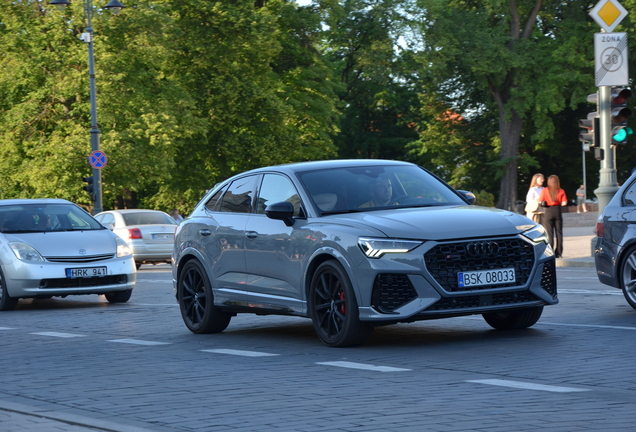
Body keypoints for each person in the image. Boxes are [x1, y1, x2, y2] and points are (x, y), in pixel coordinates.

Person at [539, 175, 567, 258]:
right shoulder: (561, 191)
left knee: (549, 233)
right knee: (559, 233)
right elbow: (564, 203)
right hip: (557, 211)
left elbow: (540, 201)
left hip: (548, 211)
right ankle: (559, 252)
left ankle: (550, 252)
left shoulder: (545, 190)